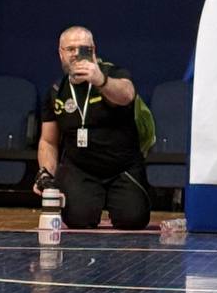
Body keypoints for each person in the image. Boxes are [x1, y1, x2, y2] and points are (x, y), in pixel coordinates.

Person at [36, 25, 151, 230]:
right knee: (78, 220)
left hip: (122, 167)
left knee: (133, 220)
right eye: (70, 49)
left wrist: (100, 80)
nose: (76, 54)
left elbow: (127, 95)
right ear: (61, 54)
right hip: (80, 168)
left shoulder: (113, 73)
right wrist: (46, 173)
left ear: (94, 50)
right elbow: (48, 141)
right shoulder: (56, 90)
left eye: (83, 49)